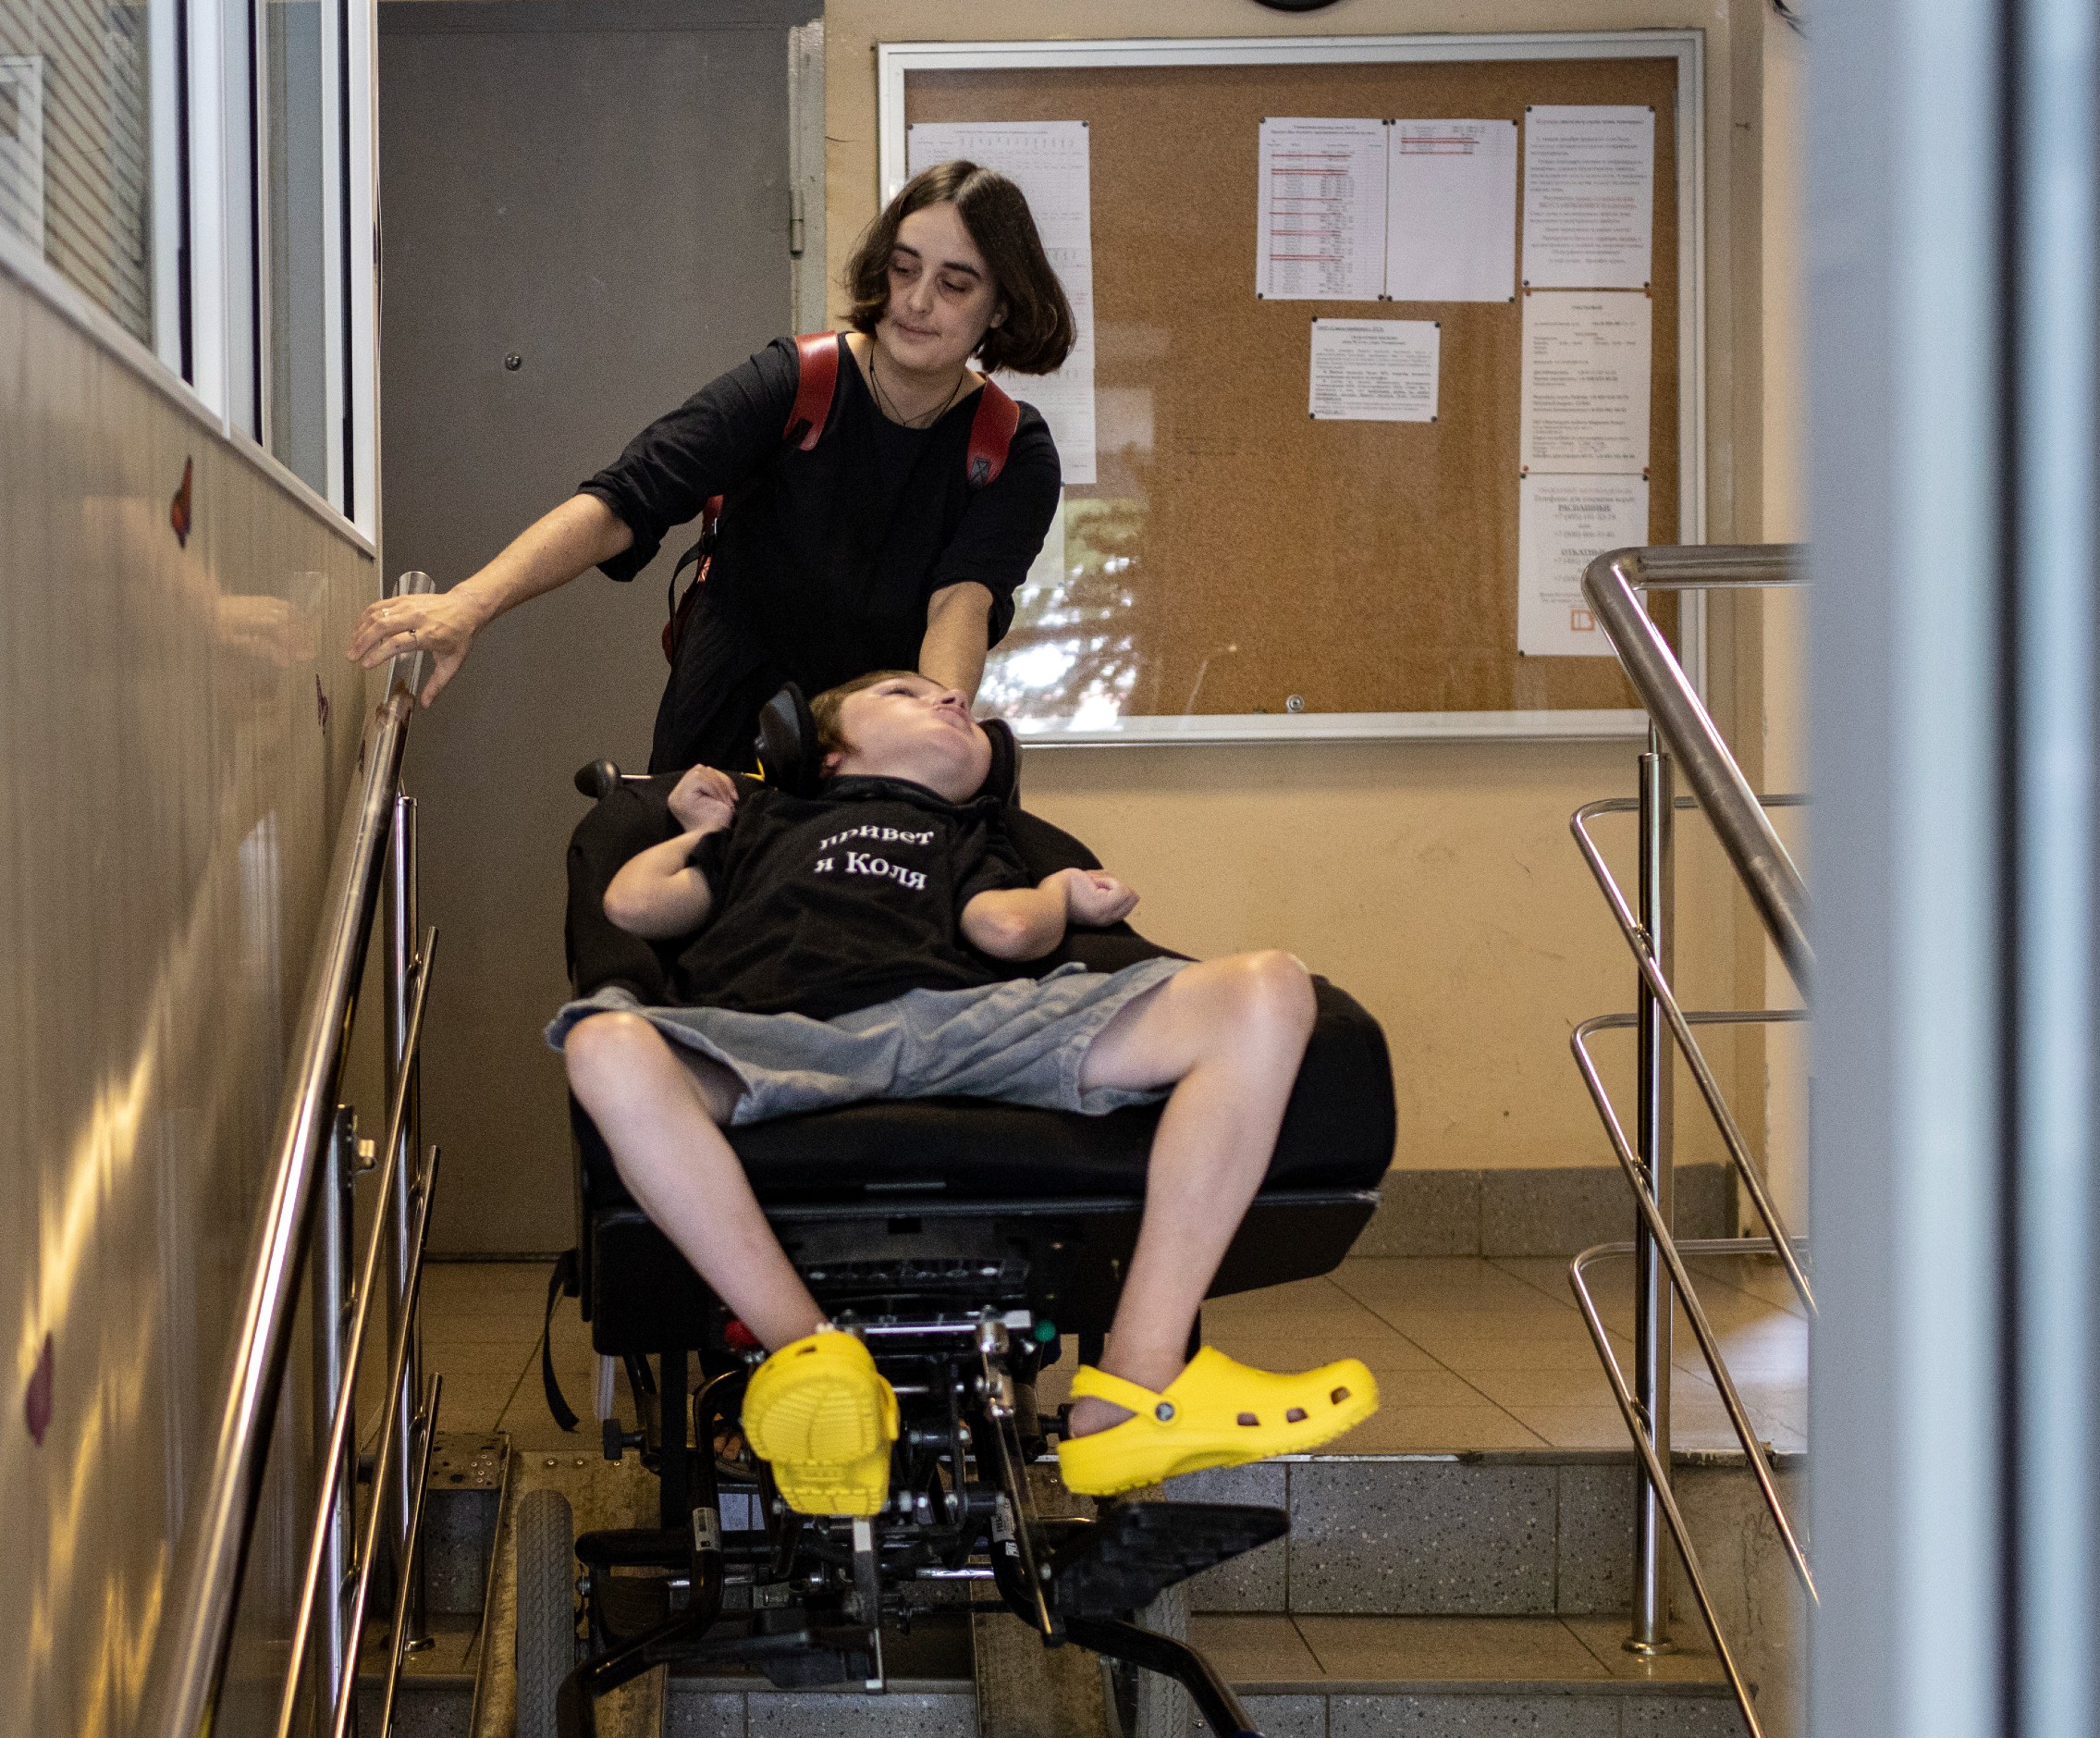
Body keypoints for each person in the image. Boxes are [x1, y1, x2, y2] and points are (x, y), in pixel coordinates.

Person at [549, 671, 1379, 1512]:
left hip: (965, 1022)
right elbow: (634, 904)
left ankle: (1136, 1385)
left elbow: (1006, 929)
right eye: (907, 695)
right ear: (825, 752)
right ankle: (813, 1362)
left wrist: (1057, 894)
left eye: (956, 702)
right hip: (778, 1034)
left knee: (1268, 986)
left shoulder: (972, 831)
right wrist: (698, 827)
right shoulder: (764, 822)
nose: (949, 699)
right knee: (604, 1041)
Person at [349, 162, 1073, 773]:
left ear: (1002, 305)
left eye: (954, 284)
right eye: (904, 268)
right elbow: (625, 499)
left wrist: (928, 754)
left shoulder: (1010, 449)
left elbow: (961, 604)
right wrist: (470, 604)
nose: (915, 302)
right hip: (726, 731)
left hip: (871, 755)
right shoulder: (797, 382)